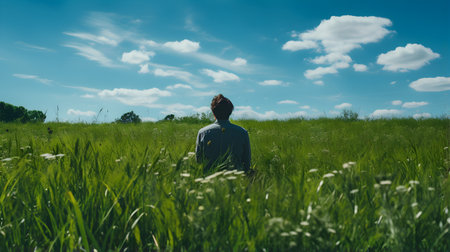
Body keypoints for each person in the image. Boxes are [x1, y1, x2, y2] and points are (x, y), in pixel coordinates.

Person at [196, 94, 251, 172]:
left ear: (213, 112)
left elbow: (199, 161)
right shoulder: (242, 132)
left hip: (210, 180)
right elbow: (247, 162)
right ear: (230, 112)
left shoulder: (203, 132)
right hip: (236, 180)